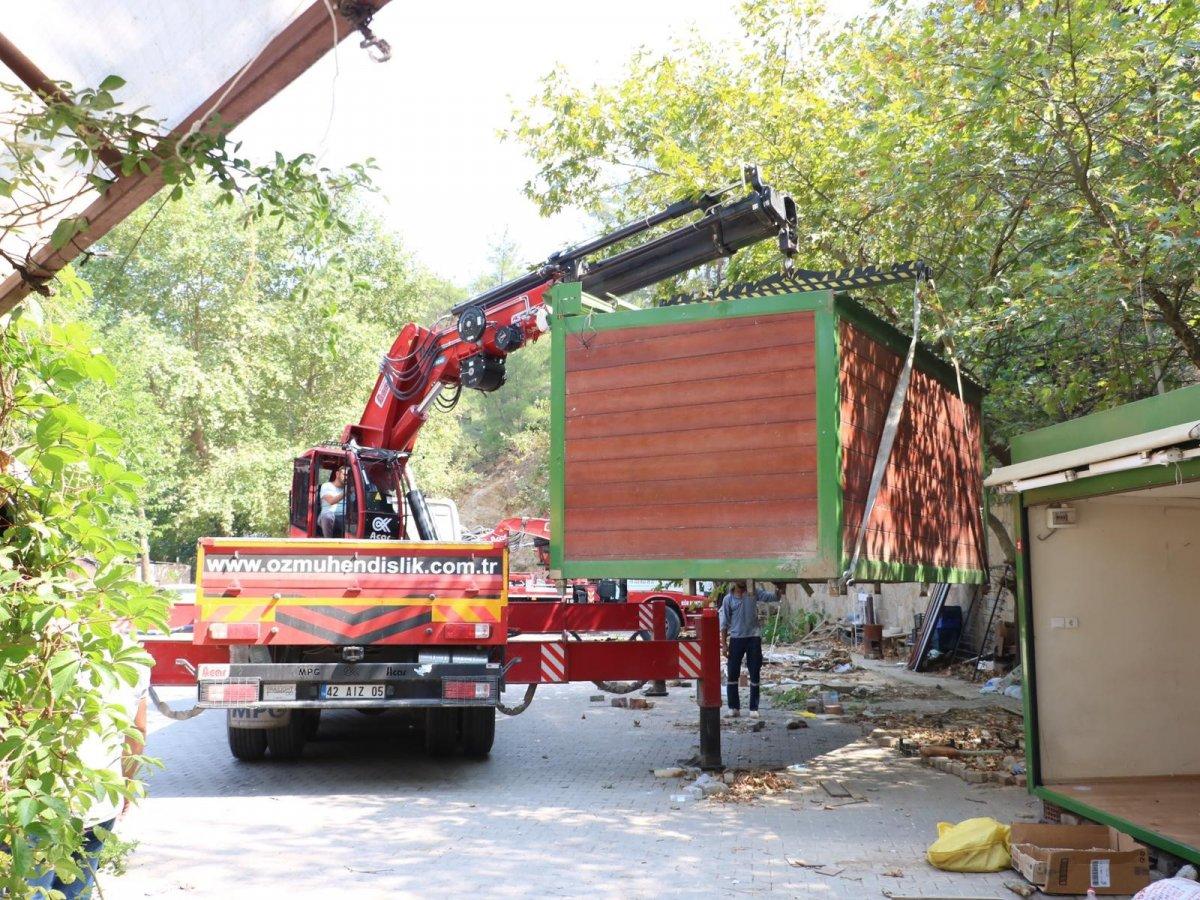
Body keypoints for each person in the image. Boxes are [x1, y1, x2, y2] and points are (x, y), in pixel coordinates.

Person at [27, 633, 149, 898]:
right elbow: (137, 732)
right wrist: (125, 781)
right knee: (77, 891)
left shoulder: (34, 643)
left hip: (38, 808)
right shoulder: (133, 655)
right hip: (100, 800)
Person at [719, 581, 763, 718]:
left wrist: (780, 590)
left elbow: (771, 596)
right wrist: (724, 644)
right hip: (736, 639)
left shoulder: (753, 593)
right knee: (732, 673)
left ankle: (754, 708)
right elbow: (724, 623)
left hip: (753, 637)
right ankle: (733, 708)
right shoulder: (728, 599)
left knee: (755, 671)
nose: (743, 581)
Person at [317, 466, 346, 537]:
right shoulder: (327, 486)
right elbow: (331, 501)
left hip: (344, 517)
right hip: (328, 516)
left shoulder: (349, 489)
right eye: (344, 475)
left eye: (348, 476)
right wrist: (346, 491)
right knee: (328, 516)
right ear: (337, 474)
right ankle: (328, 541)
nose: (346, 477)